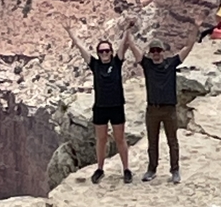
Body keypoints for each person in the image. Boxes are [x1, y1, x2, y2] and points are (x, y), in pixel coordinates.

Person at [66, 22, 133, 184]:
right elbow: (81, 49)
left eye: (107, 51)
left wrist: (127, 30)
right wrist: (71, 33)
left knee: (120, 139)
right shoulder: (95, 65)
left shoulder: (117, 62)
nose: (104, 53)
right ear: (98, 53)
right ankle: (100, 169)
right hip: (100, 108)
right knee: (101, 139)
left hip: (116, 106)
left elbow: (124, 45)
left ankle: (126, 169)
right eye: (101, 51)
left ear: (111, 52)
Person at [128, 29, 198, 184]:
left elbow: (188, 46)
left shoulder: (171, 63)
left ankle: (175, 170)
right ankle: (152, 169)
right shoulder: (147, 65)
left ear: (163, 52)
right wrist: (128, 30)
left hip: (169, 109)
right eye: (152, 51)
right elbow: (133, 47)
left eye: (158, 50)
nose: (155, 53)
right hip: (152, 109)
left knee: (172, 140)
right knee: (152, 141)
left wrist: (195, 27)